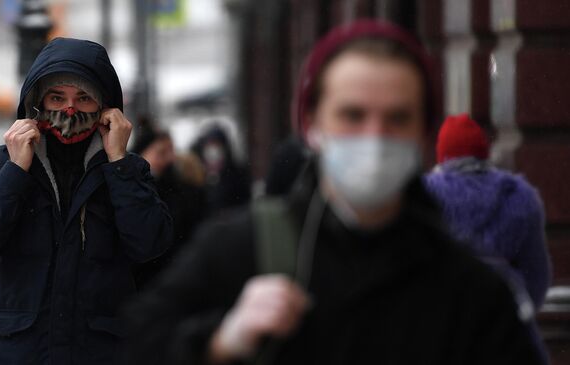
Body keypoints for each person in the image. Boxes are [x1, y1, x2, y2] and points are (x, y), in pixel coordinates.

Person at [122, 21, 544, 365]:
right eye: (352, 115)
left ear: (422, 134)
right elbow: (136, 345)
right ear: (312, 125)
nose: (374, 137)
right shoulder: (239, 250)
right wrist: (217, 343)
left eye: (397, 118)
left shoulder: (472, 294)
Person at [0, 37, 172, 364]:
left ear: (105, 108)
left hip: (100, 353)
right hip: (24, 353)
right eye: (57, 97)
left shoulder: (125, 169)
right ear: (37, 102)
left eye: (83, 98)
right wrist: (15, 171)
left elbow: (151, 244)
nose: (69, 110)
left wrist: (119, 164)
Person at [424, 113, 552, 360]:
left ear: (441, 154)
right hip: (505, 333)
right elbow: (537, 275)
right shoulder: (519, 198)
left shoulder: (423, 199)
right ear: (483, 152)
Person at [132, 117, 207, 288]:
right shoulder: (130, 189)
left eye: (171, 151)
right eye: (161, 152)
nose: (170, 159)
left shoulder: (184, 191)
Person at [191, 125, 251, 216]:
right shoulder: (196, 175)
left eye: (216, 144)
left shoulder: (238, 174)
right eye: (209, 145)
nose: (213, 150)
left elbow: (244, 204)